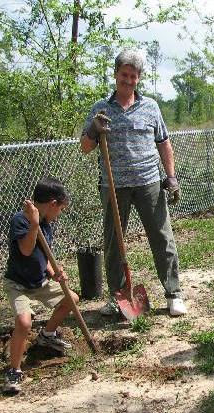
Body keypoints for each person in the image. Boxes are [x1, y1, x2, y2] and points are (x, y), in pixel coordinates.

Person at [81, 49, 187, 318]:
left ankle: (173, 293)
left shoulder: (150, 106)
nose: (128, 80)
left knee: (162, 237)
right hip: (114, 186)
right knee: (114, 243)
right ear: (116, 74)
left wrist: (171, 176)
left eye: (133, 76)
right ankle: (118, 297)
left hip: (148, 182)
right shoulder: (100, 109)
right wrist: (94, 129)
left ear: (138, 78)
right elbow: (85, 147)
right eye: (123, 75)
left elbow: (164, 143)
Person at [3, 177, 79, 394]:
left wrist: (55, 272)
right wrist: (34, 224)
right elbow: (26, 250)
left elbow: (44, 256)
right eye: (61, 209)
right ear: (53, 204)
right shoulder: (21, 220)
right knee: (24, 323)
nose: (60, 214)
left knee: (71, 299)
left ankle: (46, 336)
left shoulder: (45, 224)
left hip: (40, 281)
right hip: (18, 284)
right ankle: (14, 370)